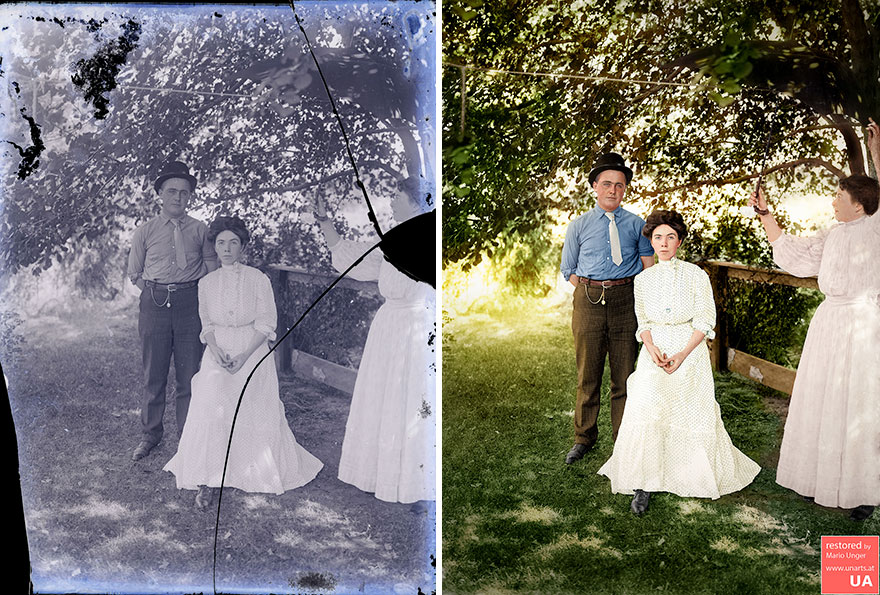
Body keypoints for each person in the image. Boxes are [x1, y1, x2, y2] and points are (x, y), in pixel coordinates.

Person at [747, 124, 880, 521]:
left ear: (860, 205)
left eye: (840, 195)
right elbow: (792, 253)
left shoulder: (876, 230)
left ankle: (862, 489)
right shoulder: (832, 234)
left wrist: (877, 149)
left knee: (859, 403)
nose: (833, 200)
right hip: (829, 326)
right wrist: (765, 214)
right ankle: (816, 479)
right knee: (823, 399)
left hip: (864, 327)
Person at [598, 210, 760, 515]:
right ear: (651, 241)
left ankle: (689, 472)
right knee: (646, 404)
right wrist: (652, 347)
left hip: (689, 349)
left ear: (679, 241)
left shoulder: (696, 275)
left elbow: (704, 320)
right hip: (655, 350)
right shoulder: (643, 279)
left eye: (670, 237)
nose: (663, 243)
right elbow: (642, 320)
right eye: (658, 237)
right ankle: (643, 482)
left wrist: (683, 355)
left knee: (688, 408)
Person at [163, 216, 323, 509]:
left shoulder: (258, 279)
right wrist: (216, 350)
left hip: (252, 350)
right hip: (219, 351)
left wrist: (243, 357)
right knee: (210, 403)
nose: (226, 249)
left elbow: (266, 323)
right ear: (214, 246)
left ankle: (256, 469)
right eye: (221, 243)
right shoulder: (206, 283)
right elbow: (207, 324)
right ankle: (208, 477)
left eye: (233, 243)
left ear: (242, 246)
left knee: (254, 406)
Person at [314, 177, 435, 504]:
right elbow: (352, 258)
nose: (391, 202)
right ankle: (377, 474)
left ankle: (412, 480)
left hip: (420, 327)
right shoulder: (391, 243)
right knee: (384, 399)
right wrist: (325, 222)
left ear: (416, 200)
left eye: (397, 196)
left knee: (412, 399)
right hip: (389, 327)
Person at [559, 153, 655, 464]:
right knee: (588, 374)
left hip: (626, 300)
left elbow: (648, 268)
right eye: (606, 184)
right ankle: (584, 438)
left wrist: (624, 294)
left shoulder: (637, 224)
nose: (613, 190)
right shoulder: (579, 225)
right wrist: (593, 290)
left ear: (625, 189)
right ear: (594, 187)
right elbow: (567, 269)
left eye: (619, 185)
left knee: (625, 375)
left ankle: (623, 440)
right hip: (588, 299)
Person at [128, 161, 218, 461]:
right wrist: (157, 294)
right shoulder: (145, 231)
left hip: (189, 304)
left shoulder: (200, 230)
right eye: (172, 191)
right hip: (154, 303)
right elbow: (134, 272)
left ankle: (187, 438)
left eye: (184, 192)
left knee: (189, 374)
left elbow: (211, 266)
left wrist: (190, 296)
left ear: (190, 196)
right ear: (160, 194)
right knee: (153, 373)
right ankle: (151, 435)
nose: (178, 197)